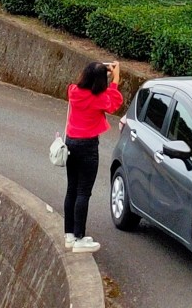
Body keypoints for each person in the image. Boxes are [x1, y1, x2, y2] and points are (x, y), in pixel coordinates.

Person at [64, 60, 123, 253]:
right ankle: (80, 238)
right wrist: (115, 79)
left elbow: (85, 85)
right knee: (83, 192)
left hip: (71, 143)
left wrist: (102, 73)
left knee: (72, 189)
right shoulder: (98, 99)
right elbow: (114, 104)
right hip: (88, 147)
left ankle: (69, 235)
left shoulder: (73, 91)